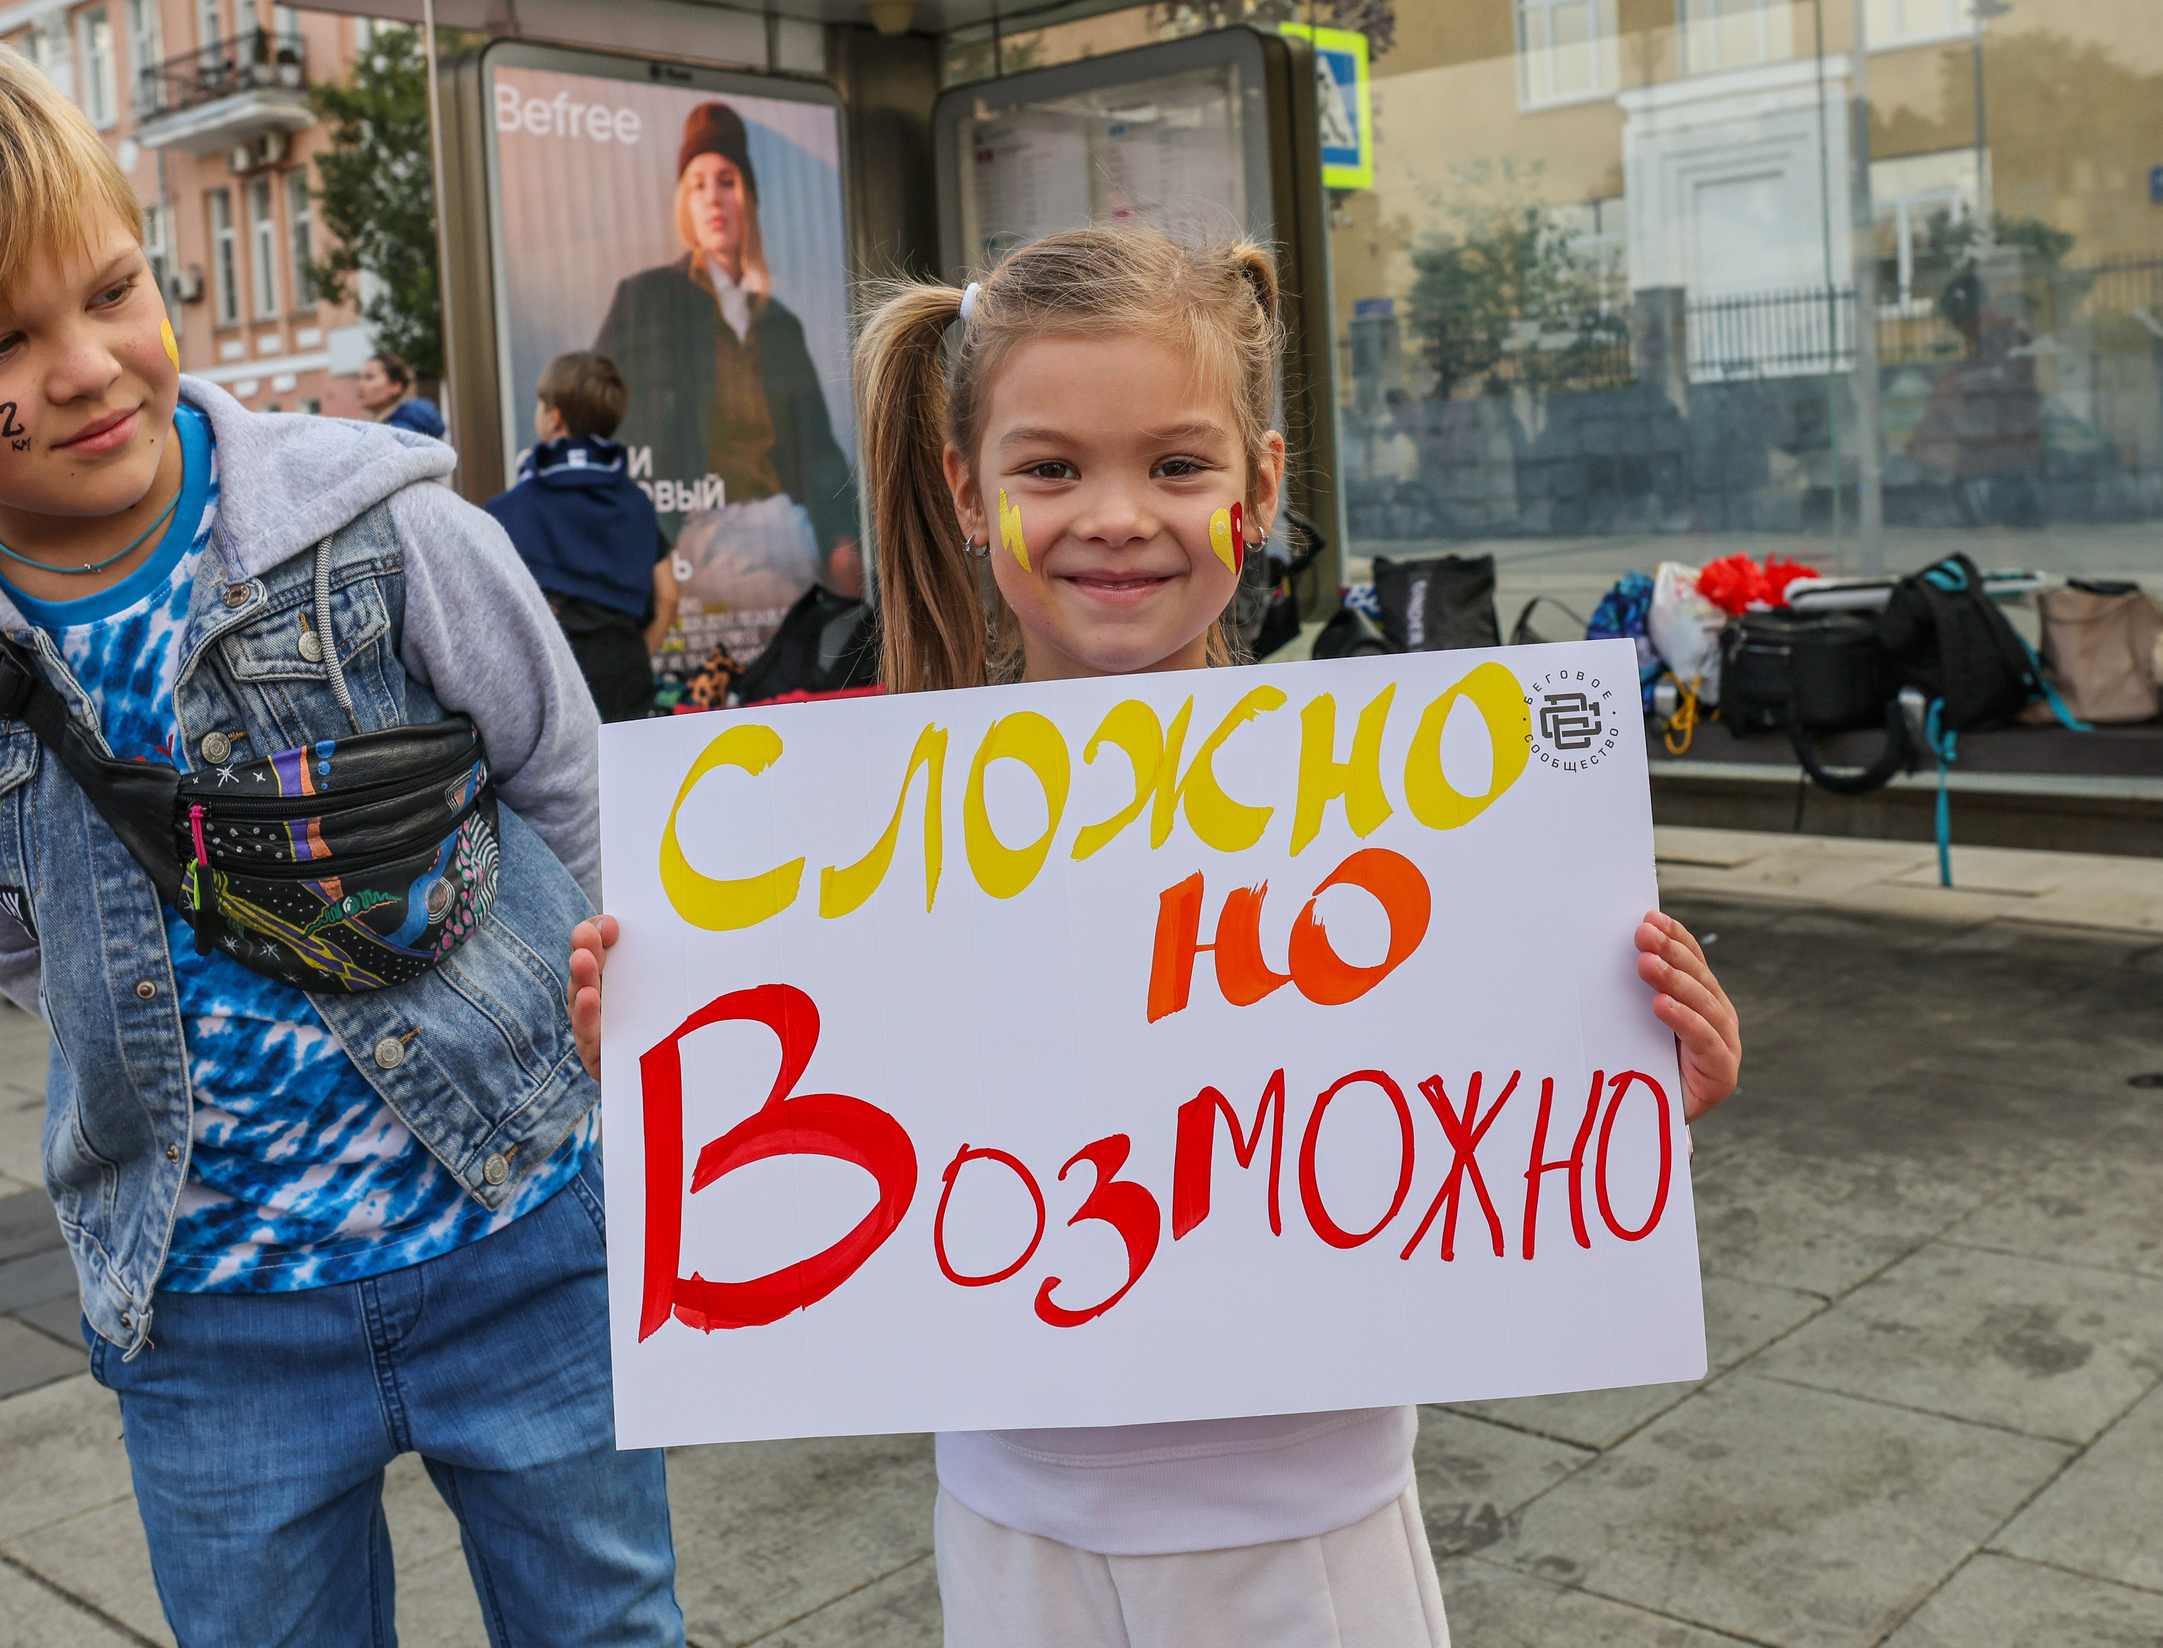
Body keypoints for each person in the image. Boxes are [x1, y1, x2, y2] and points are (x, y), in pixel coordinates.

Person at [566, 226, 1746, 1648]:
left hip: (1310, 1538)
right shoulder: (849, 840)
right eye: (1051, 467)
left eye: (1178, 466)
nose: (1117, 514)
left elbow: (1480, 1123)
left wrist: (1631, 1070)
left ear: (1260, 485)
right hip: (1012, 1528)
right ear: (963, 486)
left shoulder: (1388, 810)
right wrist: (650, 1054)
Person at [0, 20, 679, 1645]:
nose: (86, 364)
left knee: (605, 1626)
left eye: (111, 292)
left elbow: (569, 780)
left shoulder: (390, 529)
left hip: (523, 1227)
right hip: (207, 1313)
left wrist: (611, 1042)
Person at [592, 100, 860, 665]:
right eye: (698, 184)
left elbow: (814, 446)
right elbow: (601, 427)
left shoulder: (778, 322)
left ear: (748, 198)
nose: (713, 196)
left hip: (783, 540)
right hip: (686, 547)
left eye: (727, 180)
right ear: (684, 205)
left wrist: (843, 540)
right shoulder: (645, 300)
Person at [485, 351, 676, 722]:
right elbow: (668, 595)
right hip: (625, 678)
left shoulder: (511, 509)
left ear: (554, 418)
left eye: (540, 405)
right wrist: (639, 655)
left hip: (549, 688)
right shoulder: (636, 503)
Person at [355, 350, 445, 437]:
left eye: (369, 377)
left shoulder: (399, 432)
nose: (360, 385)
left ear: (396, 386)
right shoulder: (404, 424)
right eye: (359, 378)